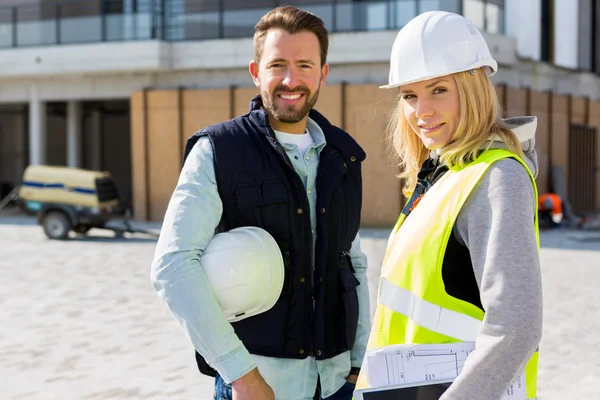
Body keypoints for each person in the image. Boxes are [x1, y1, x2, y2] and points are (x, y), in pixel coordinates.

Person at [151, 6, 370, 400]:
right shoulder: (219, 150)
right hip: (259, 386)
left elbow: (352, 261)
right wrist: (242, 375)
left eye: (305, 65)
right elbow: (173, 265)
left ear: (323, 73)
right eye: (277, 65)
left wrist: (358, 365)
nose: (291, 79)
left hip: (338, 383)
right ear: (256, 72)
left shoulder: (344, 155)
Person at [355, 11, 543, 400]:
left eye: (438, 89)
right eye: (409, 95)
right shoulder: (444, 175)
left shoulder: (496, 179)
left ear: (473, 87)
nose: (421, 111)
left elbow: (516, 326)